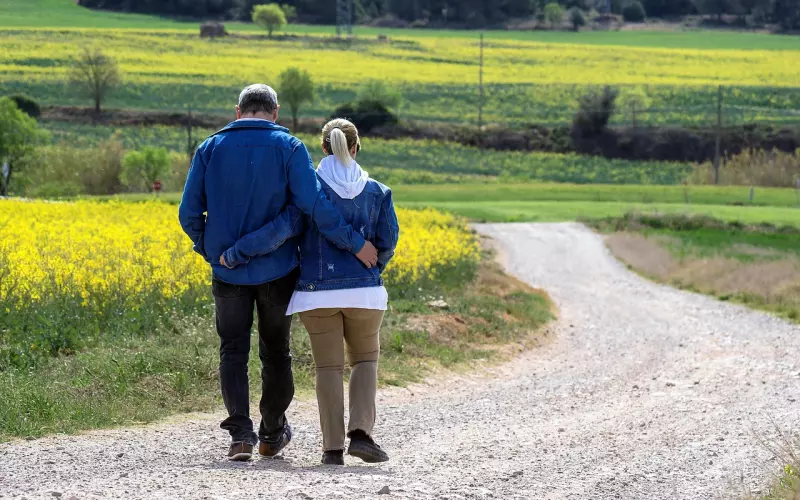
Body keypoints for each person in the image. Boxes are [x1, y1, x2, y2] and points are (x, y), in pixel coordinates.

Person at [178, 85, 379, 462]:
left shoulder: (209, 148)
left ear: (238, 110)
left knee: (232, 351)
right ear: (276, 111)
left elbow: (188, 214)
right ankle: (271, 433)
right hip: (278, 270)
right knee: (276, 353)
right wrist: (354, 243)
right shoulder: (289, 148)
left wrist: (213, 252)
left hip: (227, 273)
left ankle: (240, 435)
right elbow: (311, 206)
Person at [221, 118, 399, 466]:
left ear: (323, 148)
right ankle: (361, 434)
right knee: (364, 360)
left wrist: (236, 253)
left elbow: (280, 230)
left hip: (315, 295)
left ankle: (332, 449)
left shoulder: (309, 191)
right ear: (356, 147)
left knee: (328, 369)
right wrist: (372, 271)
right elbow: (388, 242)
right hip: (365, 294)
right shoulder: (378, 191)